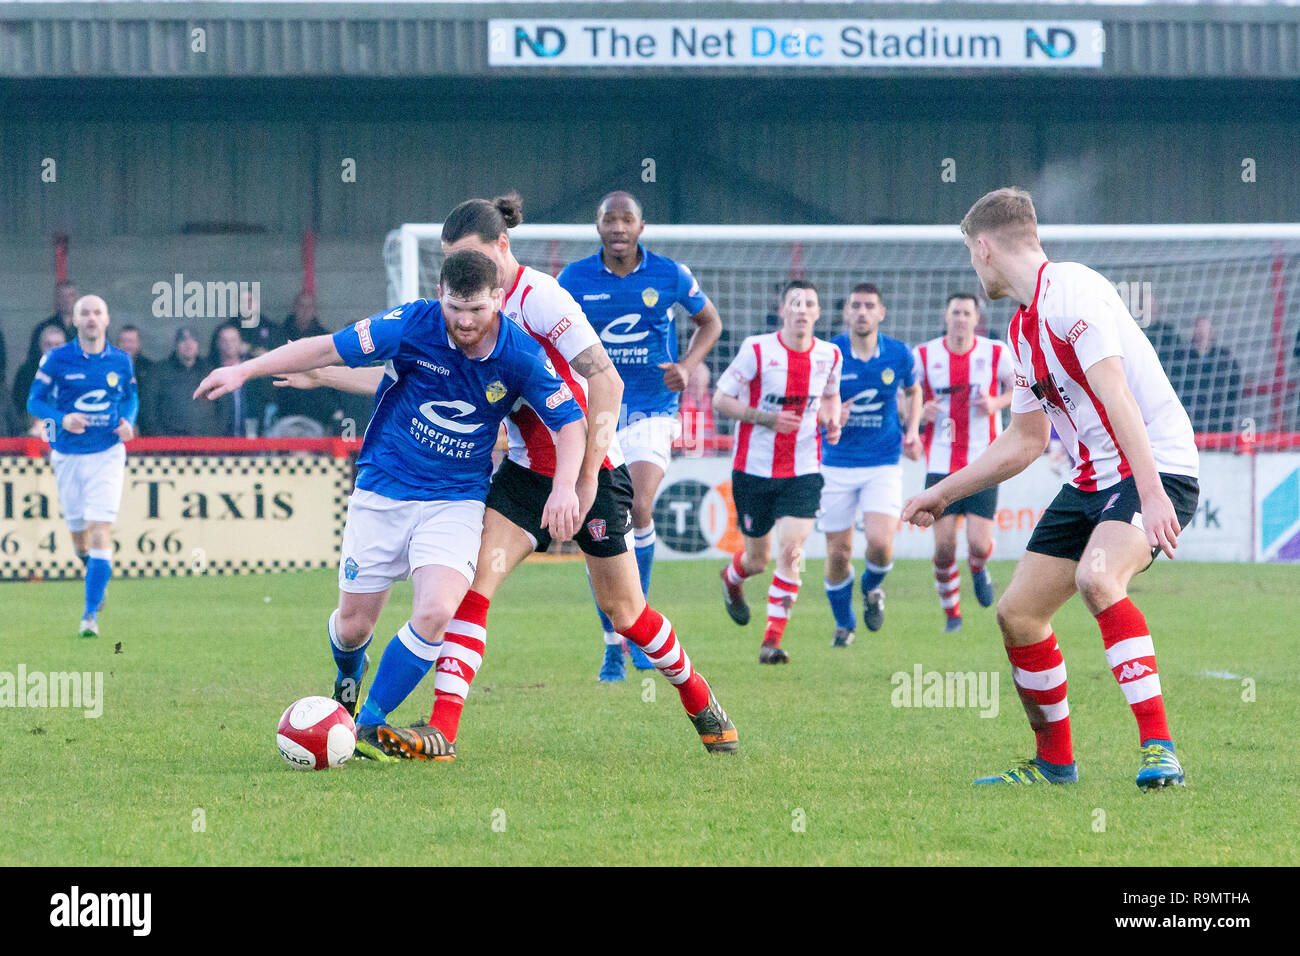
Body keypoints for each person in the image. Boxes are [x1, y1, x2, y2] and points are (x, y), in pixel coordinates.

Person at [277, 194, 738, 759]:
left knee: (627, 614)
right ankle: (437, 730)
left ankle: (701, 700)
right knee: (473, 589)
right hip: (523, 475)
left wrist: (584, 481)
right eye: (450, 263)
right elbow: (417, 382)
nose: (458, 276)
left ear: (502, 247)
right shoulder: (467, 308)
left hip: (591, 469)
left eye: (469, 258)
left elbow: (607, 383)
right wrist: (322, 374)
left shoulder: (541, 298)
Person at [196, 250, 587, 760]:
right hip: (383, 490)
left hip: (456, 500)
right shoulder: (411, 323)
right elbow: (324, 348)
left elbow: (571, 421)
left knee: (437, 611)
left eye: (476, 309)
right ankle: (348, 675)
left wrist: (563, 487)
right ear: (439, 294)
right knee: (354, 625)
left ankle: (367, 725)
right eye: (454, 308)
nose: (464, 321)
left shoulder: (519, 355)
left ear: (497, 299)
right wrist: (244, 370)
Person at [902, 187, 1200, 790]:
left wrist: (1153, 492)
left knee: (1097, 577)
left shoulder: (1073, 289)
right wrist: (945, 493)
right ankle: (1055, 765)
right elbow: (1026, 440)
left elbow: (1116, 395)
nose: (972, 267)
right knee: (1018, 614)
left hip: (1156, 466)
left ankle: (1160, 748)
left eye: (970, 254)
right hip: (1093, 479)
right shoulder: (1020, 330)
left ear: (983, 247)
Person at [557, 191, 723, 681]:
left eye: (627, 219)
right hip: (596, 411)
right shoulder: (574, 279)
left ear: (641, 227)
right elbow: (552, 334)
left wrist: (689, 366)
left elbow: (709, 321)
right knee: (599, 522)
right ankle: (615, 644)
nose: (618, 227)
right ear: (598, 227)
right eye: (610, 219)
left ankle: (639, 629)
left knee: (640, 506)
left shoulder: (671, 273)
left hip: (651, 407)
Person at [714, 280, 842, 664]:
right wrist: (764, 418)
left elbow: (831, 395)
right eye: (795, 303)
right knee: (757, 560)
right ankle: (731, 580)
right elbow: (721, 399)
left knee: (791, 550)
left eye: (810, 304)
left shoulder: (830, 355)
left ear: (817, 313)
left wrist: (832, 421)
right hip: (753, 469)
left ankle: (771, 641)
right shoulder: (757, 349)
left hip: (804, 468)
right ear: (783, 310)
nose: (803, 310)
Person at [25, 295, 137, 638]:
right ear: (75, 320)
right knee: (79, 539)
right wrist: (62, 418)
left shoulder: (121, 360)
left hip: (106, 452)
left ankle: (89, 616)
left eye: (97, 312)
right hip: (67, 454)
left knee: (100, 528)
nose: (91, 318)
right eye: (84, 313)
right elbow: (34, 401)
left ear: (106, 320)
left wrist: (129, 420)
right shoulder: (57, 358)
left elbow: (131, 396)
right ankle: (93, 571)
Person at [819, 283, 922, 644]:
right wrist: (829, 415)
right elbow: (811, 400)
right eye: (855, 306)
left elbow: (913, 389)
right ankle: (844, 625)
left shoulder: (898, 353)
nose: (862, 312)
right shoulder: (829, 353)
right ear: (846, 312)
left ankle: (871, 589)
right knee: (838, 552)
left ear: (881, 312)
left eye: (869, 306)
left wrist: (912, 430)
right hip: (836, 462)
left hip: (883, 461)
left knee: (880, 544)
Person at [912, 292, 1016, 633]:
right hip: (941, 462)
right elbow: (907, 396)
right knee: (943, 547)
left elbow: (1021, 388)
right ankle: (953, 615)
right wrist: (919, 413)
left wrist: (997, 402)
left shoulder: (995, 352)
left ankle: (978, 567)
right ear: (946, 316)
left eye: (966, 312)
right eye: (954, 312)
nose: (960, 318)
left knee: (977, 543)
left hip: (983, 460)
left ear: (976, 318)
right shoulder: (925, 355)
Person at [1167, 317, 1242, 434]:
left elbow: (1235, 387)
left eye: (1205, 329)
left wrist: (1228, 412)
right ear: (1193, 332)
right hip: (1191, 420)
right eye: (1199, 329)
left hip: (1218, 421)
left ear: (1212, 332)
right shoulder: (1181, 357)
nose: (1202, 333)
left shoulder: (1224, 357)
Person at [146, 328, 222, 436]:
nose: (188, 344)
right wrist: (160, 437)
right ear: (176, 345)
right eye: (183, 340)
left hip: (205, 443)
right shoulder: (159, 371)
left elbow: (224, 407)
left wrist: (215, 435)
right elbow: (149, 409)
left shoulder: (209, 371)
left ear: (197, 345)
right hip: (170, 444)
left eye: (193, 340)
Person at [11, 325, 68, 435]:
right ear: (40, 347)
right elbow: (20, 413)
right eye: (48, 345)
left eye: (57, 345)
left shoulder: (78, 373)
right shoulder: (27, 375)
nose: (53, 349)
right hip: (37, 436)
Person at [26, 279, 79, 364]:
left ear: (77, 298)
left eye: (70, 295)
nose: (67, 300)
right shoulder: (42, 328)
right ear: (56, 299)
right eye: (62, 296)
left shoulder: (88, 328)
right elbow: (33, 360)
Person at [115, 325, 153, 434]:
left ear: (138, 344)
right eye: (123, 341)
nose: (127, 345)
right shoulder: (108, 367)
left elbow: (150, 403)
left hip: (144, 430)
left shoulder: (150, 368)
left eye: (131, 341)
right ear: (117, 344)